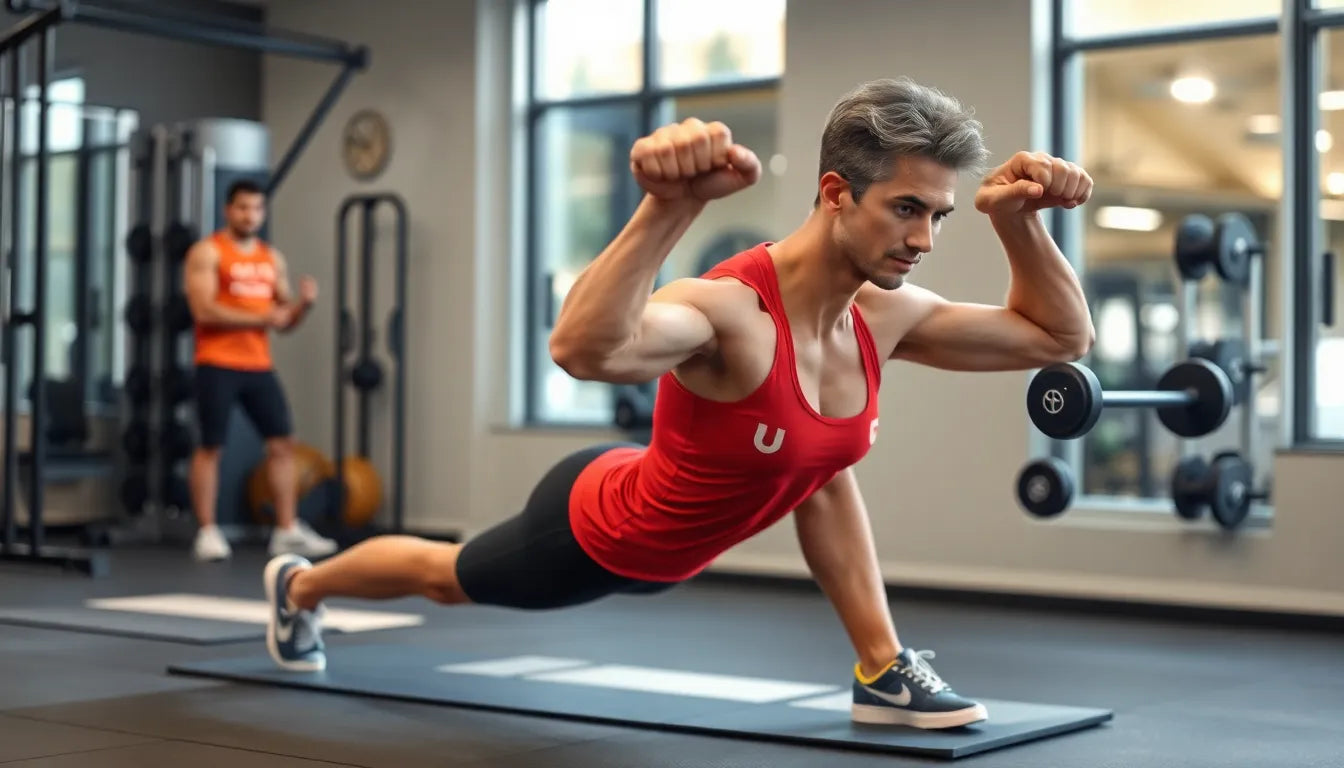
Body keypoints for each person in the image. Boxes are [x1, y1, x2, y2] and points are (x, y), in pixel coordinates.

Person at [260, 78, 1095, 729]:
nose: (923, 239)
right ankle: (299, 588)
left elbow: (1058, 337)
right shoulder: (729, 312)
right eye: (906, 209)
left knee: (825, 466)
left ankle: (882, 668)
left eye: (939, 215)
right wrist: (670, 206)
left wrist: (1018, 222)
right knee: (445, 577)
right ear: (836, 192)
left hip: (679, 524)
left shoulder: (886, 315)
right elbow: (582, 349)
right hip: (598, 532)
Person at [184, 179, 338, 562]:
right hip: (216, 363)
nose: (249, 216)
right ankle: (207, 531)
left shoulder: (272, 259)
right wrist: (262, 317)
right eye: (242, 208)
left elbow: (283, 320)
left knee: (283, 444)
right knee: (211, 447)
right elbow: (204, 310)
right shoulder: (208, 252)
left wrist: (303, 306)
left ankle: (286, 530)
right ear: (228, 210)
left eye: (256, 208)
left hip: (258, 365)